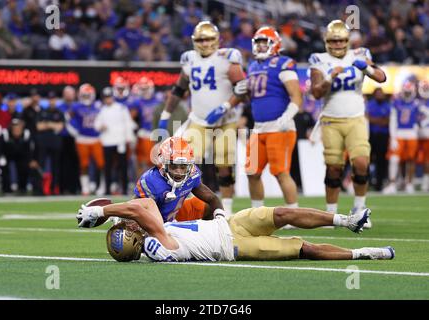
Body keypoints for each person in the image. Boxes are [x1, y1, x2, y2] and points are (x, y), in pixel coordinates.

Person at [76, 197, 395, 263]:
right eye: (129, 229)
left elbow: (141, 207)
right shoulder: (157, 243)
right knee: (303, 249)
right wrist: (99, 211)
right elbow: (139, 207)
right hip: (235, 248)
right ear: (136, 241)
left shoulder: (153, 234)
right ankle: (364, 253)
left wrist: (104, 212)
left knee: (284, 213)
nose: (130, 225)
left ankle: (348, 221)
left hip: (229, 224)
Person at [157, 21, 247, 215]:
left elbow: (242, 89)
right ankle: (187, 205)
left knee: (224, 164)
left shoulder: (227, 57)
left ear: (217, 40)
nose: (205, 43)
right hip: (198, 119)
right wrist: (166, 114)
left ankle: (227, 209)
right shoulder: (189, 59)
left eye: (208, 39)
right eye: (200, 39)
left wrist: (225, 106)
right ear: (194, 41)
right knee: (184, 161)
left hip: (226, 119)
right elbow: (179, 89)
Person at [308, 20, 386, 224]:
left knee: (361, 163)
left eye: (341, 40)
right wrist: (328, 79)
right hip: (331, 121)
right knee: (334, 168)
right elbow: (315, 92)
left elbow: (381, 77)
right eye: (333, 41)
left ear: (347, 40)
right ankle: (331, 214)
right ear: (327, 41)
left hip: (356, 119)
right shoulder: (319, 59)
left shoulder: (360, 54)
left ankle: (360, 210)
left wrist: (366, 68)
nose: (338, 45)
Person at [240, 26, 302, 211]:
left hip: (279, 127)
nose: (259, 47)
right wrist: (242, 92)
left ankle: (293, 212)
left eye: (264, 43)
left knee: (281, 173)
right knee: (252, 172)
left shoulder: (284, 63)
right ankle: (256, 212)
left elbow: (297, 96)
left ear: (274, 45)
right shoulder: (252, 66)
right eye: (257, 43)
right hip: (259, 128)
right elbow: (254, 99)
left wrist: (286, 117)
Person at [133, 136, 226, 223]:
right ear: (163, 164)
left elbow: (212, 199)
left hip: (174, 215)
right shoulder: (152, 181)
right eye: (173, 166)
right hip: (154, 222)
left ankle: (207, 235)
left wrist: (221, 220)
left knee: (206, 205)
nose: (179, 172)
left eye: (183, 166)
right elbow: (134, 210)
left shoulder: (192, 175)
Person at [94, 87, 137, 195]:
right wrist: (100, 127)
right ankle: (107, 189)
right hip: (107, 141)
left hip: (120, 141)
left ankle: (124, 188)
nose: (107, 100)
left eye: (109, 97)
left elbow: (128, 123)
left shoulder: (121, 108)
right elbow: (96, 124)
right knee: (107, 166)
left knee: (123, 166)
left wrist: (129, 138)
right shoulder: (102, 110)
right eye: (105, 98)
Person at [382, 81, 420, 194]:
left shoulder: (417, 103)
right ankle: (393, 183)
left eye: (409, 92)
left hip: (412, 133)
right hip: (399, 133)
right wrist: (393, 137)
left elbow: (419, 120)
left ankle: (409, 183)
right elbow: (393, 121)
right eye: (406, 92)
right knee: (394, 159)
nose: (407, 94)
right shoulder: (396, 102)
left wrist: (417, 131)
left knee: (411, 159)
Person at [67, 83, 105, 196]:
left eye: (88, 95)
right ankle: (85, 187)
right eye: (84, 95)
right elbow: (68, 119)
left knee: (101, 164)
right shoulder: (75, 107)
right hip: (82, 139)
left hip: (96, 138)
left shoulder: (98, 106)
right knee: (84, 165)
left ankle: (102, 186)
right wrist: (73, 130)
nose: (87, 97)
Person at [366, 88, 391, 191]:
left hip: (383, 136)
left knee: (381, 160)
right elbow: (367, 118)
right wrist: (380, 120)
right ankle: (366, 182)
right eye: (378, 93)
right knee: (368, 159)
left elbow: (387, 120)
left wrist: (374, 120)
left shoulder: (387, 105)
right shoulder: (370, 104)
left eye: (381, 93)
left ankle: (379, 184)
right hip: (371, 135)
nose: (380, 95)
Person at [418, 80, 429, 191]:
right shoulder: (415, 102)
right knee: (409, 158)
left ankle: (426, 180)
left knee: (427, 159)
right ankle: (405, 181)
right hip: (415, 133)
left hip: (426, 132)